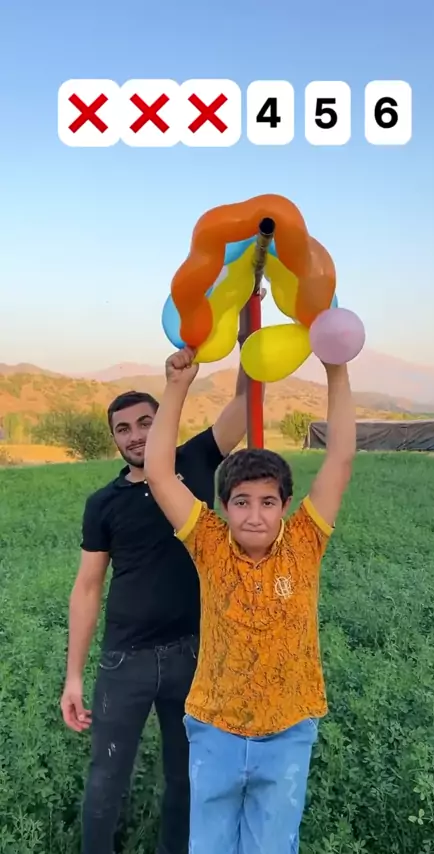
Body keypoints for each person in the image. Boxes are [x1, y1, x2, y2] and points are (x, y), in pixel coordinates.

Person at [144, 346, 356, 854]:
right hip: (215, 731)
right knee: (210, 846)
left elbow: (341, 457)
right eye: (241, 502)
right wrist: (176, 386)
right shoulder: (209, 542)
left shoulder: (305, 540)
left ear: (286, 505)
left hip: (287, 733)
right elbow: (159, 474)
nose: (254, 516)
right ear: (223, 507)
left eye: (267, 502)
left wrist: (336, 368)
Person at [60, 353, 253, 854]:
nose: (136, 435)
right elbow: (87, 587)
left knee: (186, 775)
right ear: (114, 439)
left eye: (146, 422)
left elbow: (244, 401)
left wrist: (246, 342)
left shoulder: (195, 459)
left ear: (163, 419)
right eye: (123, 429)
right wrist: (74, 677)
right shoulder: (103, 504)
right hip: (125, 660)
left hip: (193, 652)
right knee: (106, 778)